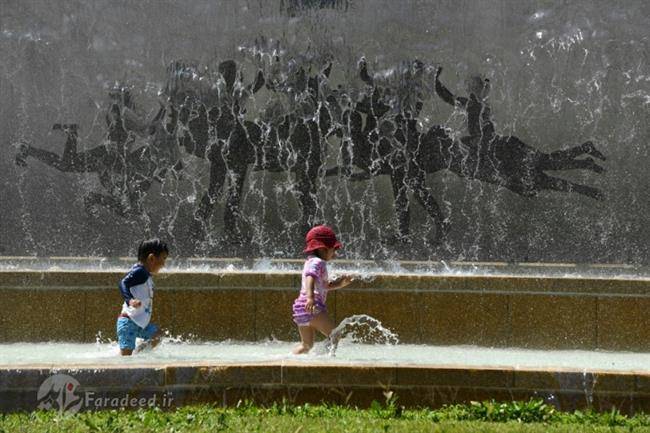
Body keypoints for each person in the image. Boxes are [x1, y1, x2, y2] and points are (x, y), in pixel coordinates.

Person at [292, 225, 354, 354]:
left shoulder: (310, 261)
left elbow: (324, 286)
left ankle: (290, 360)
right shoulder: (318, 263)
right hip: (312, 306)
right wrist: (310, 298)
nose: (334, 254)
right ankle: (327, 359)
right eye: (333, 250)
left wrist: (340, 284)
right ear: (322, 249)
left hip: (300, 308)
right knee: (335, 335)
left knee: (306, 345)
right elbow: (310, 277)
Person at [116, 238, 169, 356]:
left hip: (139, 323)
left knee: (157, 335)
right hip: (128, 323)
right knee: (125, 360)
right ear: (151, 258)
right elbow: (123, 283)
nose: (164, 264)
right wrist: (129, 300)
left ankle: (138, 354)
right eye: (163, 259)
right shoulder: (140, 271)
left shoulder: (146, 274)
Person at [435, 66, 496, 151]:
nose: (472, 91)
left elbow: (447, 97)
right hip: (478, 139)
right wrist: (436, 80)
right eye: (470, 87)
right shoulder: (469, 103)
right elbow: (447, 97)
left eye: (475, 87)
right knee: (460, 142)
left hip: (482, 139)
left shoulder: (482, 104)